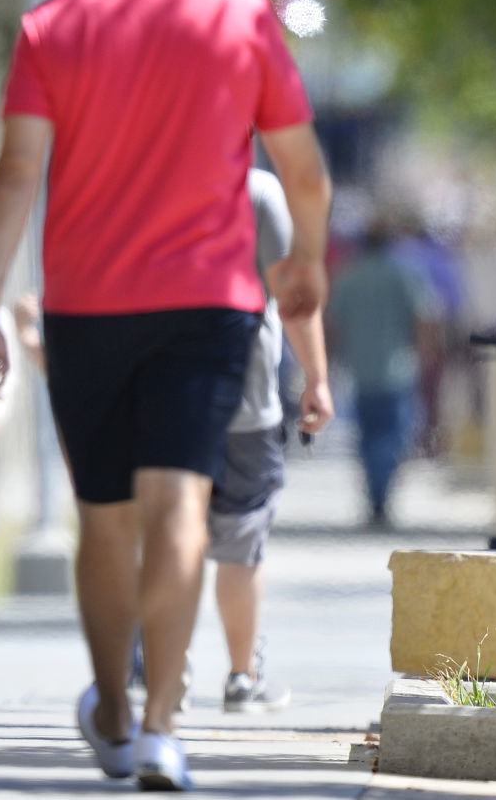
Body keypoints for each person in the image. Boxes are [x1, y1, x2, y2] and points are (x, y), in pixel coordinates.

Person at [0, 0, 332, 791]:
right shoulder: (244, 17)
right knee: (181, 504)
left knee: (105, 518)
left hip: (88, 301)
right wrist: (301, 260)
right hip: (210, 303)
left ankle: (118, 716)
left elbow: (16, 171)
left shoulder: (54, 24)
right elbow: (302, 169)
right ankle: (167, 726)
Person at [210, 167, 335, 713]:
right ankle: (242, 675)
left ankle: (157, 663)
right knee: (240, 540)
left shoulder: (144, 173)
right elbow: (292, 293)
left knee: (168, 528)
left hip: (158, 395)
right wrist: (318, 378)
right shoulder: (256, 190)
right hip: (243, 396)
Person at [325, 221, 437, 529]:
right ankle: (382, 495)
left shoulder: (349, 276)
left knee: (367, 435)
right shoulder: (404, 275)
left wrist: (328, 364)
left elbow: (334, 323)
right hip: (397, 367)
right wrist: (425, 353)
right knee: (393, 434)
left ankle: (375, 496)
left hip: (360, 368)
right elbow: (424, 316)